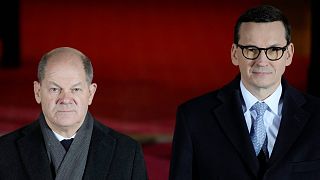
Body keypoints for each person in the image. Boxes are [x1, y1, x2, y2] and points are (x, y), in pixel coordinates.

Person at [169, 5, 320, 180]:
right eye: (251, 49)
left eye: (274, 50)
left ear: (289, 54)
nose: (262, 61)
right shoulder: (193, 117)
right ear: (234, 54)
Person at [0, 47, 148, 180]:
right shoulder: (5, 151)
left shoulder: (127, 153)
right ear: (37, 91)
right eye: (54, 89)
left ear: (91, 93)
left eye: (76, 89)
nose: (65, 99)